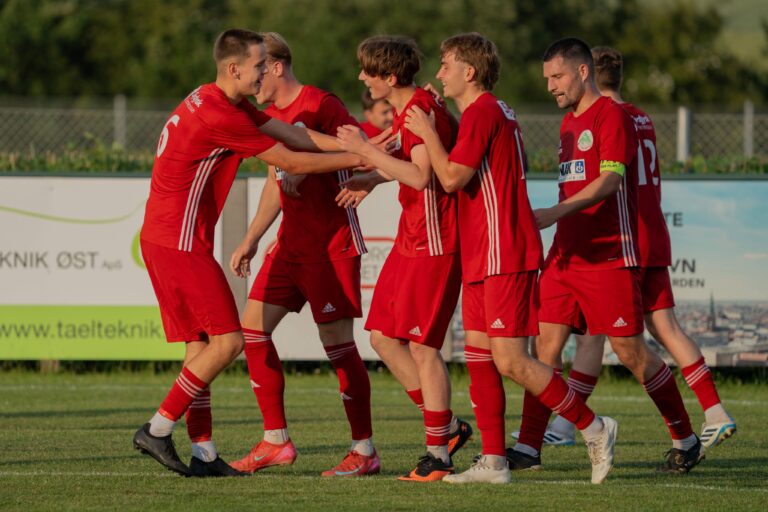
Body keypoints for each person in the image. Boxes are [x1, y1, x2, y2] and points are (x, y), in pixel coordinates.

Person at [133, 28, 362, 478]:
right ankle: (158, 428)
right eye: (258, 65)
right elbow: (292, 162)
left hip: (164, 238)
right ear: (234, 68)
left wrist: (362, 147)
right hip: (179, 243)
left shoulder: (213, 99)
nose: (264, 73)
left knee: (199, 346)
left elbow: (295, 137)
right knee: (231, 341)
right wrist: (361, 158)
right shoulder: (221, 115)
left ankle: (203, 453)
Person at [404, 32, 616, 485]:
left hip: (504, 249)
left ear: (469, 71)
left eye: (445, 64)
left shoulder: (482, 111)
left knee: (512, 361)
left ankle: (594, 427)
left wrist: (424, 133)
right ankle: (495, 462)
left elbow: (452, 176)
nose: (439, 73)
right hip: (485, 250)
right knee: (478, 357)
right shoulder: (486, 112)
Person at [508, 37, 703, 475]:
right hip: (565, 258)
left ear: (582, 72)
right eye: (547, 80)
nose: (551, 87)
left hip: (609, 257)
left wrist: (553, 213)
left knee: (631, 352)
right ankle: (528, 446)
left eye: (557, 77)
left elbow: (610, 182)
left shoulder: (613, 116)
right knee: (544, 349)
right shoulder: (567, 124)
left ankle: (685, 437)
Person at [226, 32, 377, 478]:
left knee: (337, 346)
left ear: (275, 65)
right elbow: (277, 181)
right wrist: (252, 237)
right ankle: (275, 440)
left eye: (256, 67)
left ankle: (364, 450)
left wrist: (320, 176)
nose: (252, 78)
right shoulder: (269, 117)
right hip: (289, 246)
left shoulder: (322, 105)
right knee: (251, 331)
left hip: (331, 246)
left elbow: (367, 153)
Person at [333, 35, 471, 482]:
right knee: (383, 339)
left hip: (434, 242)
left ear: (389, 78)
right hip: (410, 240)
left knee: (424, 348)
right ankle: (446, 428)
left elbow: (419, 173)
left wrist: (369, 153)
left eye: (367, 72)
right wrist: (373, 176)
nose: (360, 78)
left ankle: (438, 454)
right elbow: (404, 160)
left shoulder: (418, 112)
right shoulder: (412, 107)